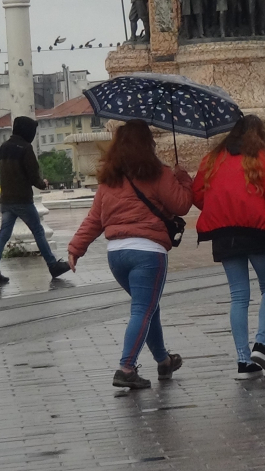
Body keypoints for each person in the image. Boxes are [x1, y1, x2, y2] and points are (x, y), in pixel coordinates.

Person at [67, 120, 193, 390]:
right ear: (147, 144)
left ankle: (163, 361)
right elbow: (181, 205)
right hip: (148, 253)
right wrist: (184, 180)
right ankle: (126, 367)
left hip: (117, 256)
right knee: (142, 310)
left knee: (149, 307)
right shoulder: (158, 173)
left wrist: (75, 248)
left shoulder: (110, 178)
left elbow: (94, 219)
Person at [193, 116, 265, 379]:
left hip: (224, 234)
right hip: (256, 231)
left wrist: (223, 209)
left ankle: (244, 361)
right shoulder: (262, 158)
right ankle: (262, 343)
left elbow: (200, 195)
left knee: (239, 296)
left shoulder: (212, 159)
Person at [0, 116, 71, 284]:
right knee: (38, 231)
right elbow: (33, 175)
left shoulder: (3, 147)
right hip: (22, 200)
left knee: (3, 234)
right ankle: (53, 265)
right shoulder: (25, 148)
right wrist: (43, 184)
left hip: (6, 200)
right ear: (27, 131)